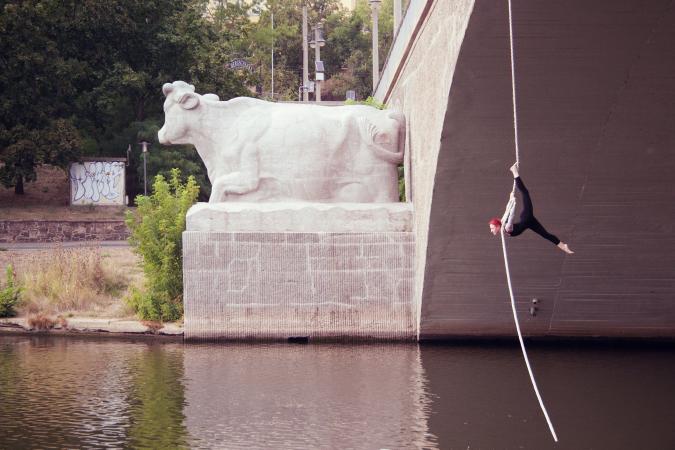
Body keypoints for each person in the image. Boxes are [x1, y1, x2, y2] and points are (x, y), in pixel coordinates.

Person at [489, 163, 574, 254]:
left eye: (492, 228)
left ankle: (514, 171)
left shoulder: (506, 227)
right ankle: (563, 246)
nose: (491, 230)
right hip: (528, 222)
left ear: (498, 226)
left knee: (525, 193)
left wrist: (513, 201)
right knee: (545, 234)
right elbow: (507, 212)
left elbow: (511, 215)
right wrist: (511, 200)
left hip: (527, 217)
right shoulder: (503, 226)